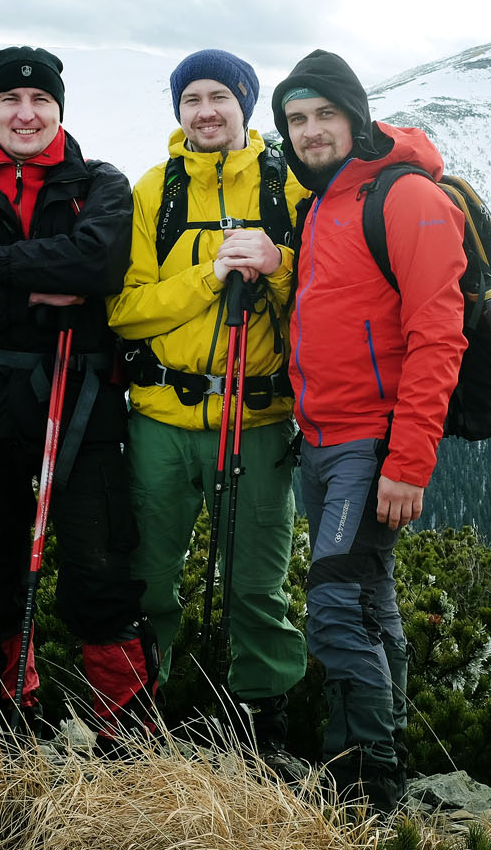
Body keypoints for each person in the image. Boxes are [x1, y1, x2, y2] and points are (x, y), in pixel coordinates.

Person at [0, 46, 155, 746]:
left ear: (59, 108)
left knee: (99, 567)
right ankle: (11, 722)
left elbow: (98, 262)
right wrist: (46, 300)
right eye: (10, 100)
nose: (25, 112)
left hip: (82, 406)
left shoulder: (99, 183)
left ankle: (124, 735)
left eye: (41, 100)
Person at [271, 49, 469, 811]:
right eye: (297, 119)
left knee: (332, 607)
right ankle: (381, 767)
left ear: (356, 117)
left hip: (369, 445)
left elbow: (437, 334)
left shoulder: (404, 195)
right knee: (367, 603)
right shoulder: (324, 201)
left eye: (325, 114)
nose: (311, 131)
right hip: (320, 440)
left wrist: (409, 459)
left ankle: (362, 784)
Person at [106, 50, 307, 772]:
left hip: (256, 422)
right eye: (191, 98)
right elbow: (126, 311)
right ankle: (135, 710)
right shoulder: (153, 191)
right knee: (147, 577)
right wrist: (209, 271)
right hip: (160, 417)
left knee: (257, 582)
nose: (206, 111)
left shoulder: (287, 186)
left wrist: (277, 266)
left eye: (220, 95)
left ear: (246, 104)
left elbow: (324, 297)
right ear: (178, 110)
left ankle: (258, 721)